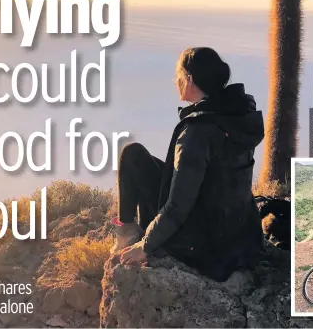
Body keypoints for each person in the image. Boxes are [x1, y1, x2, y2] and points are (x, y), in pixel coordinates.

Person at [111, 47, 265, 282]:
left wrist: (147, 245)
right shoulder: (237, 114)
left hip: (200, 246)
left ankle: (127, 235)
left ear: (190, 79)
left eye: (178, 76)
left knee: (131, 156)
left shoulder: (198, 132)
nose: (175, 81)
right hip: (236, 235)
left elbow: (178, 206)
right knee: (142, 159)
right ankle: (131, 230)